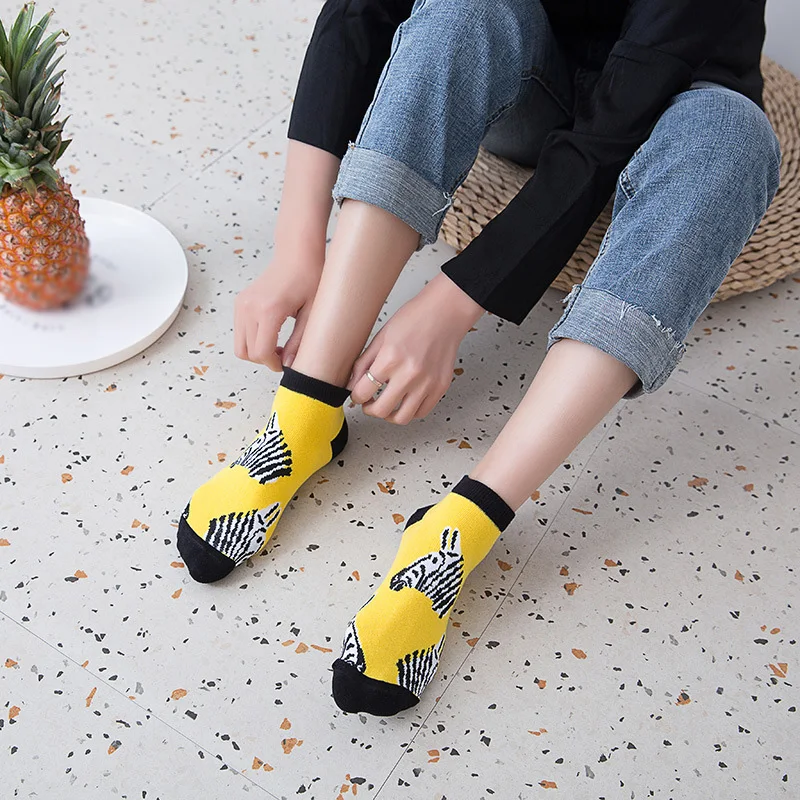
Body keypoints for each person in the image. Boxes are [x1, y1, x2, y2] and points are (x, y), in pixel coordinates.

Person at [176, 0, 781, 716]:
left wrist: (452, 302)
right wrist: (297, 244)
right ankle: (303, 414)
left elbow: (613, 129)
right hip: (542, 72)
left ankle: (457, 531)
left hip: (681, 92)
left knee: (733, 141)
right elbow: (360, 10)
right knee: (464, 10)